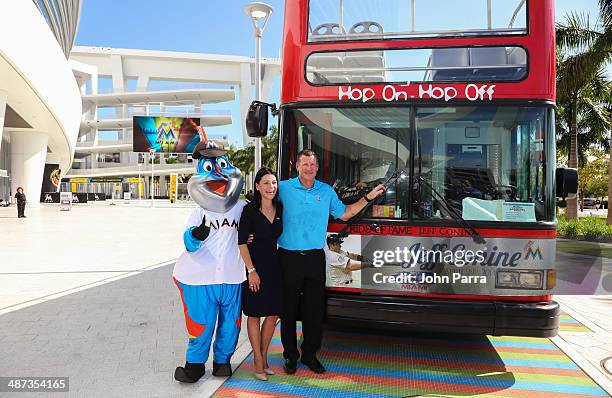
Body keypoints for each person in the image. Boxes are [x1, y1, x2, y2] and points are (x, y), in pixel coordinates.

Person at [278, 149, 385, 374]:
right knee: (287, 310)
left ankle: (309, 355)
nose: (308, 168)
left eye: (312, 164)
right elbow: (265, 206)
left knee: (314, 310)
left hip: (315, 257)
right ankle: (290, 355)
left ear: (317, 168)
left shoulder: (325, 191)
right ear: (297, 166)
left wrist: (368, 197)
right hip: (288, 258)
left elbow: (345, 214)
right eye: (304, 164)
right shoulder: (284, 188)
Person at [172, 139, 246, 383]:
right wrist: (195, 235)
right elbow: (187, 241)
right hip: (199, 277)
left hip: (232, 277)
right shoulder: (198, 211)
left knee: (230, 325)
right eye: (209, 167)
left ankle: (222, 361)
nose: (217, 174)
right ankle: (194, 364)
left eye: (222, 164)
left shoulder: (242, 207)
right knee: (201, 324)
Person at [238, 167, 283, 381]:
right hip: (254, 268)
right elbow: (242, 243)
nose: (270, 187)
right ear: (257, 186)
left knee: (273, 313)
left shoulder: (280, 208)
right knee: (255, 314)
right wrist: (251, 271)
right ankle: (256, 359)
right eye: (266, 183)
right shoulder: (249, 211)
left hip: (275, 267)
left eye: (273, 183)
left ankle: (264, 357)